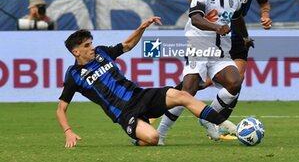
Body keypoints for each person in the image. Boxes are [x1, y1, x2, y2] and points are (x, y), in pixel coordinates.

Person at [158, 0, 272, 143]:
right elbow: (193, 5)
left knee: (235, 82)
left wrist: (250, 32)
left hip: (226, 44)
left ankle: (209, 118)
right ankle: (161, 133)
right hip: (201, 42)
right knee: (189, 90)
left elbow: (241, 15)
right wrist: (214, 21)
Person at [56, 16, 237, 147]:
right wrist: (68, 131)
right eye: (87, 46)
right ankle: (136, 136)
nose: (92, 48)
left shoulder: (102, 53)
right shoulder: (74, 75)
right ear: (76, 52)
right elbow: (61, 109)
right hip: (124, 113)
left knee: (182, 95)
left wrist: (142, 28)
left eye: (91, 43)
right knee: (153, 139)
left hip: (140, 95)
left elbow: (126, 45)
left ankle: (226, 126)